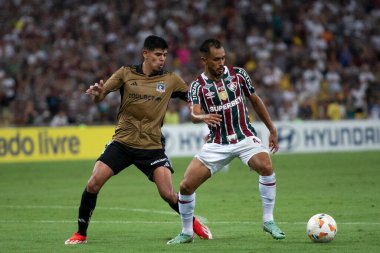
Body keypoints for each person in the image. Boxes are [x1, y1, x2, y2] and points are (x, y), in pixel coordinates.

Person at [65, 35, 212, 245]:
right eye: (158, 55)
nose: (162, 59)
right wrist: (97, 94)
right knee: (93, 183)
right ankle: (81, 233)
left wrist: (208, 117)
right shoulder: (125, 73)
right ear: (145, 53)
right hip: (123, 143)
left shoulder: (170, 79)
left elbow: (196, 100)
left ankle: (193, 224)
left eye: (165, 55)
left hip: (151, 147)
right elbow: (102, 94)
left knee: (168, 194)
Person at [167, 38, 285, 244]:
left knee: (266, 166)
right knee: (185, 187)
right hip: (217, 143)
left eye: (223, 58)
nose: (221, 62)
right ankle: (187, 232)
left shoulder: (239, 75)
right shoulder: (197, 86)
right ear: (204, 60)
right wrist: (204, 117)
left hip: (244, 137)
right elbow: (194, 114)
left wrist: (272, 129)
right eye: (216, 59)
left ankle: (268, 220)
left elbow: (255, 100)